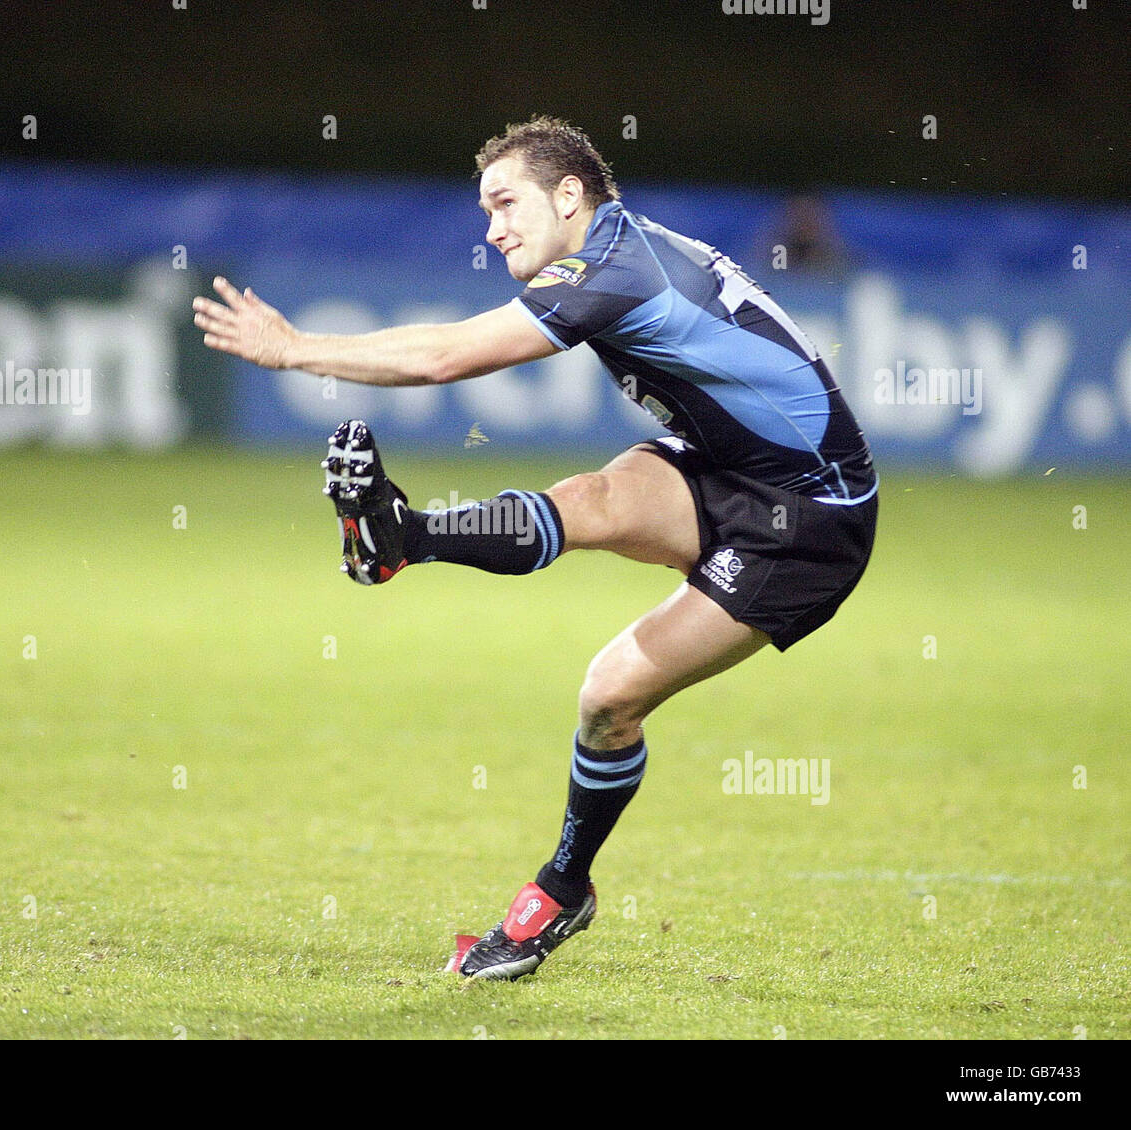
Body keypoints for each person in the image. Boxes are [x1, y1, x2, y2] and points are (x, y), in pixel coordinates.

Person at [192, 115, 878, 981]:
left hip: (814, 520)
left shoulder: (614, 272)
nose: (493, 228)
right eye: (486, 209)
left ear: (569, 196)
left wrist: (296, 350)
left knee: (607, 697)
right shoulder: (624, 246)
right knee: (591, 500)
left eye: (505, 202)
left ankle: (563, 889)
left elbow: (446, 357)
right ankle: (402, 539)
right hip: (732, 469)